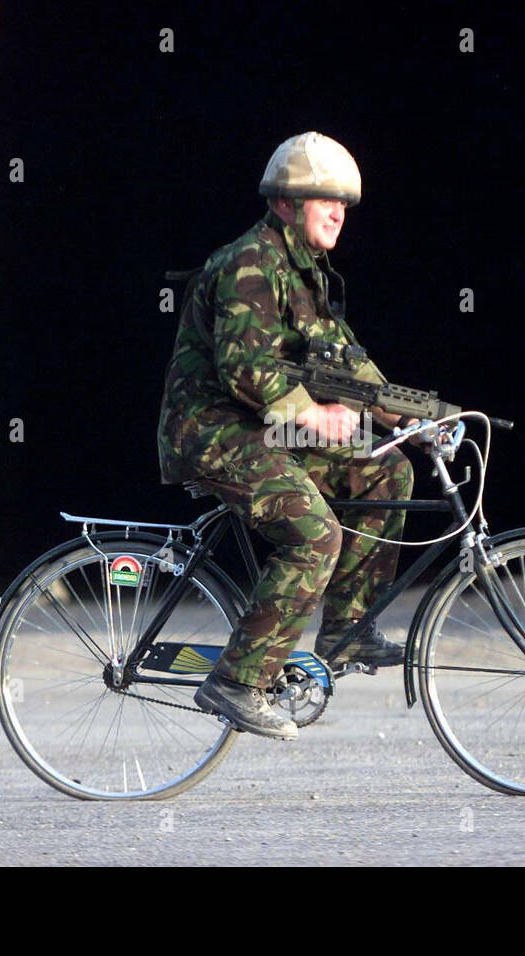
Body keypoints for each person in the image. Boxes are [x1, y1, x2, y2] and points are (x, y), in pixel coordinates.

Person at [156, 132, 418, 740]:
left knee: (385, 468)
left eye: (344, 204)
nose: (338, 213)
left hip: (261, 427)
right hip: (214, 432)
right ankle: (237, 681)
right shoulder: (250, 263)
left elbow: (348, 363)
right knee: (315, 536)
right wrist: (311, 414)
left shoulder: (307, 275)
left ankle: (346, 632)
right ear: (283, 204)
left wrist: (413, 418)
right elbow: (245, 370)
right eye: (324, 200)